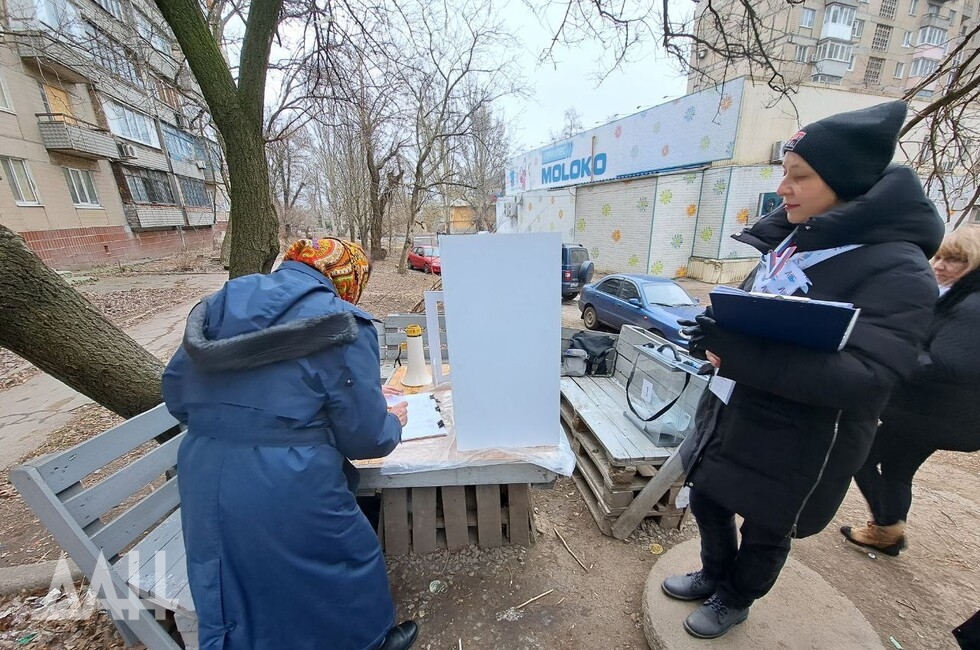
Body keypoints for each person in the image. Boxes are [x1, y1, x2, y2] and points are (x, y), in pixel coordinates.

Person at [661, 101, 945, 639]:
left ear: (843, 181)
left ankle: (736, 599)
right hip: (733, 406)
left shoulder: (899, 267)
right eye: (784, 175)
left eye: (799, 177)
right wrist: (714, 331)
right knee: (708, 496)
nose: (783, 189)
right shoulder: (793, 238)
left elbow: (867, 376)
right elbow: (757, 308)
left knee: (768, 525)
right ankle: (713, 573)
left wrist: (739, 353)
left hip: (804, 437)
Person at [162, 238, 419, 650]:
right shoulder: (343, 321)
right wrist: (390, 421)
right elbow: (365, 438)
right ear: (347, 278)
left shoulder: (219, 304)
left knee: (234, 579)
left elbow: (177, 394)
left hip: (205, 469)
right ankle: (369, 642)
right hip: (288, 476)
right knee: (343, 556)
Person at [841, 225, 980, 555]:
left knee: (858, 458)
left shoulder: (973, 306)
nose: (940, 265)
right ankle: (887, 530)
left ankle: (888, 529)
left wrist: (891, 355)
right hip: (944, 414)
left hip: (934, 413)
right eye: (941, 257)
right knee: (896, 468)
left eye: (955, 260)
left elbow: (949, 363)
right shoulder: (961, 298)